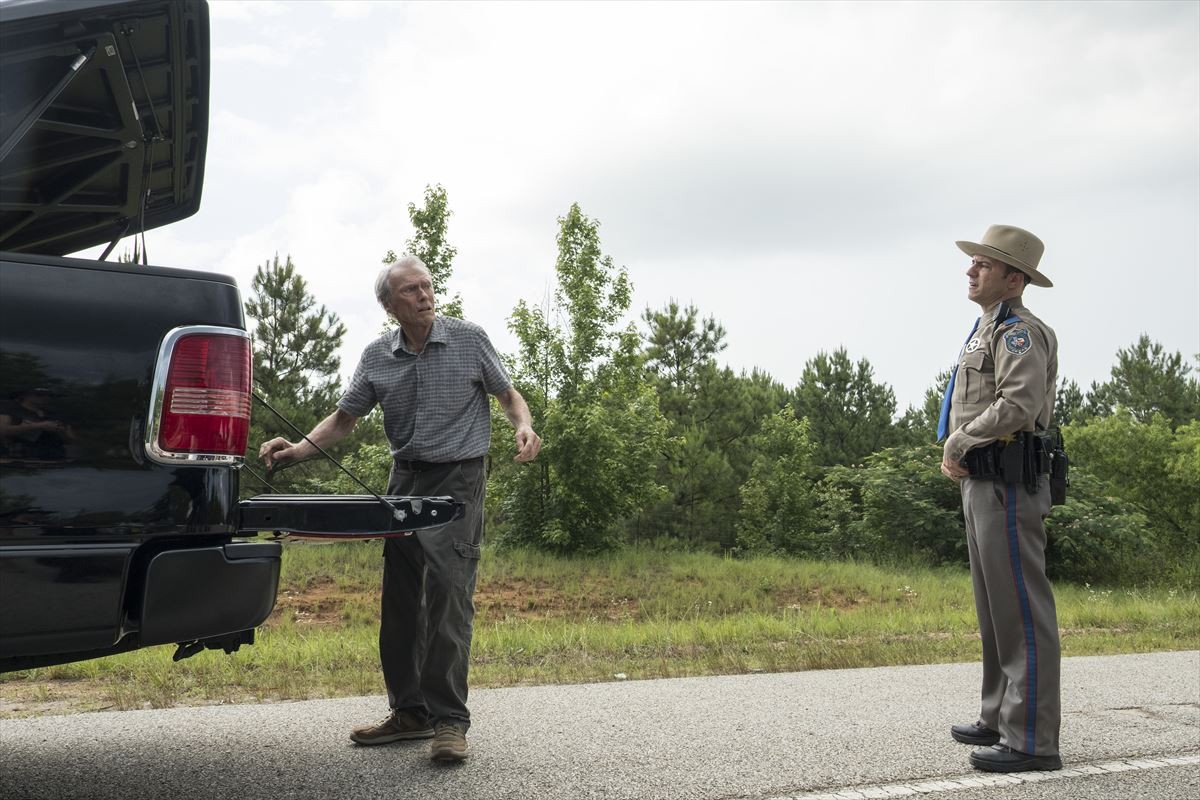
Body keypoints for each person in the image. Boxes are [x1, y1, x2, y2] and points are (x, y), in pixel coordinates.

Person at [259, 255, 541, 763]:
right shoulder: (376, 356)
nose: (424, 295)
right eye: (410, 290)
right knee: (401, 599)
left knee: (449, 598)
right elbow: (344, 420)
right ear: (389, 305)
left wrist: (523, 424)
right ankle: (409, 712)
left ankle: (450, 721)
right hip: (403, 478)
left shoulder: (468, 339)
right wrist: (297, 451)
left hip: (459, 478)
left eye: (427, 286)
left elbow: (509, 395)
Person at [937, 224, 1062, 773]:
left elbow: (1017, 404)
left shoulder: (1019, 332)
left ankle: (1032, 741)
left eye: (984, 265)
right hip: (982, 482)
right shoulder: (985, 328)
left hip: (1008, 484)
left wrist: (960, 440)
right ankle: (999, 716)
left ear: (1014, 279)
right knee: (994, 610)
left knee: (1021, 613)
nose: (971, 270)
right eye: (974, 263)